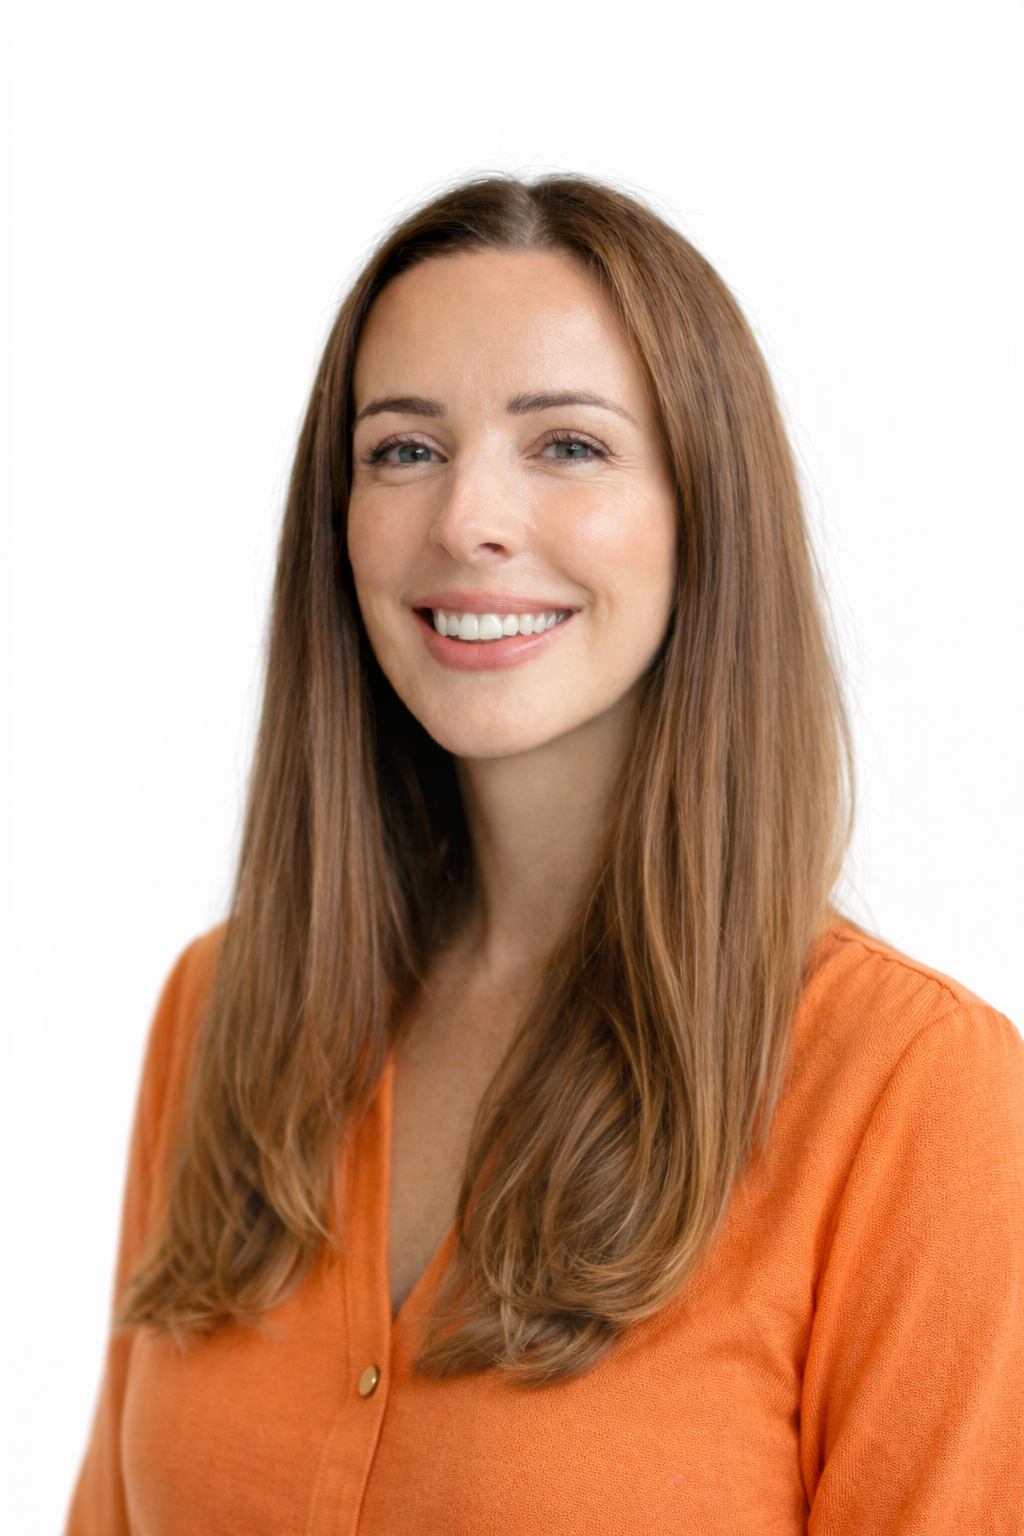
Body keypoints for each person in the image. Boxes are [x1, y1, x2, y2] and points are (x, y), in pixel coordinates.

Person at [66, 176, 1023, 1535]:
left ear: (705, 515)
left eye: (567, 445)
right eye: (403, 450)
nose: (468, 520)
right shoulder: (220, 1013)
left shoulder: (919, 1100)